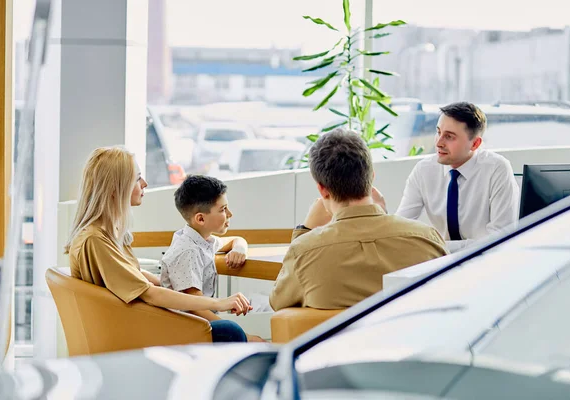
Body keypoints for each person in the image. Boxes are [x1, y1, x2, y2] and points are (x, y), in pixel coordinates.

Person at [65, 146, 251, 343]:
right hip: (133, 329)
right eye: (137, 179)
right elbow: (150, 295)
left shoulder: (108, 234)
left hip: (135, 321)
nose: (144, 183)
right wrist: (220, 303)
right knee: (229, 331)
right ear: (114, 189)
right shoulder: (95, 240)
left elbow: (133, 276)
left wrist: (167, 282)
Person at [269, 128, 448, 311]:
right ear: (371, 177)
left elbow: (278, 302)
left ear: (322, 190)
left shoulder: (305, 252)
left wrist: (305, 231)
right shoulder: (427, 239)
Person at [394, 102, 519, 252]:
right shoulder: (424, 170)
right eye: (438, 132)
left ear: (475, 144)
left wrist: (438, 246)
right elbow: (400, 230)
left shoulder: (497, 169)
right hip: (438, 263)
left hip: (485, 264)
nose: (439, 143)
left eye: (449, 137)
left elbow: (500, 239)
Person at [159, 175, 266, 342]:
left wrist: (239, 248)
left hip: (201, 319)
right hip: (188, 327)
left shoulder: (201, 239)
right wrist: (246, 337)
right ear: (200, 218)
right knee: (237, 332)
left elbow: (235, 240)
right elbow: (195, 306)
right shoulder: (187, 251)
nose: (230, 214)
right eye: (223, 209)